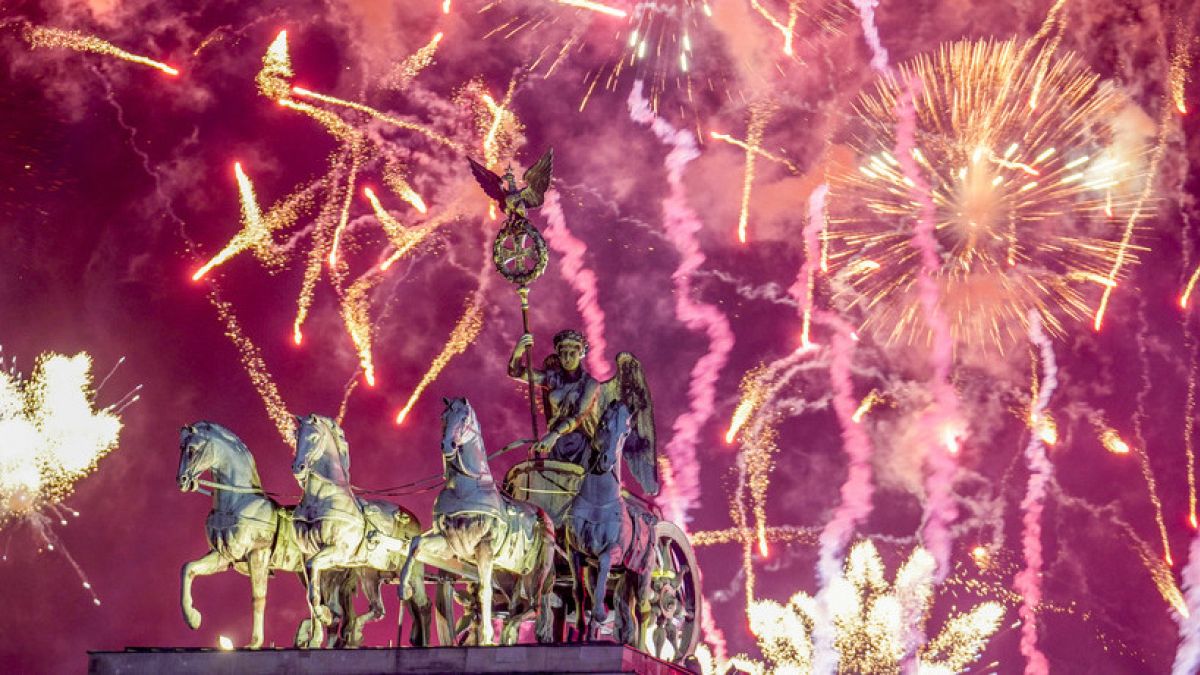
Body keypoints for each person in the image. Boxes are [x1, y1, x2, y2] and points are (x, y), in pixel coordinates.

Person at [507, 329, 601, 464]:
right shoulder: (553, 379)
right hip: (557, 445)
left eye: (572, 353)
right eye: (563, 354)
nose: (567, 359)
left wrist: (554, 434)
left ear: (581, 354)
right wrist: (518, 352)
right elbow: (515, 372)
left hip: (582, 448)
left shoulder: (590, 384)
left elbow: (579, 415)